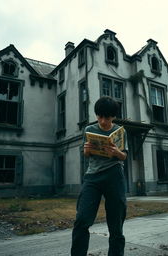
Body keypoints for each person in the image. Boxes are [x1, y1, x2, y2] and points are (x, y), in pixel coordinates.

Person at [71, 96, 128, 256]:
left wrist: (117, 152)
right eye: (100, 116)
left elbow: (124, 156)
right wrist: (87, 150)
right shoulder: (89, 130)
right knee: (82, 219)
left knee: (116, 224)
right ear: (96, 115)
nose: (103, 121)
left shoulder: (120, 131)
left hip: (114, 175)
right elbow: (86, 154)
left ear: (113, 116)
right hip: (93, 177)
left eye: (107, 117)